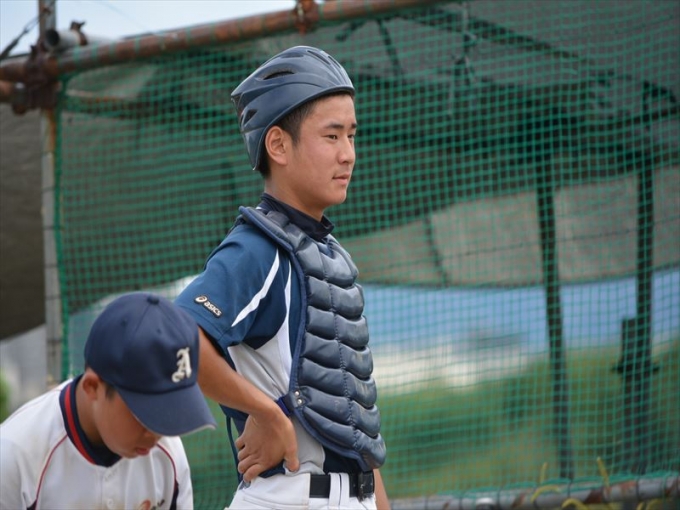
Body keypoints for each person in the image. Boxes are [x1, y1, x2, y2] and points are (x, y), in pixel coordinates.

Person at [174, 45, 390, 509]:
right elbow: (176, 336)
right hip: (289, 494)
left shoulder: (330, 254)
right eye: (331, 136)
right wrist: (266, 412)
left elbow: (353, 422)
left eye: (352, 135)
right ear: (277, 145)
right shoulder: (257, 249)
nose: (348, 154)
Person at [0, 292, 217, 510]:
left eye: (169, 412)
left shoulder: (169, 454)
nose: (156, 432)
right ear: (92, 387)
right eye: (145, 413)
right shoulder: (16, 454)